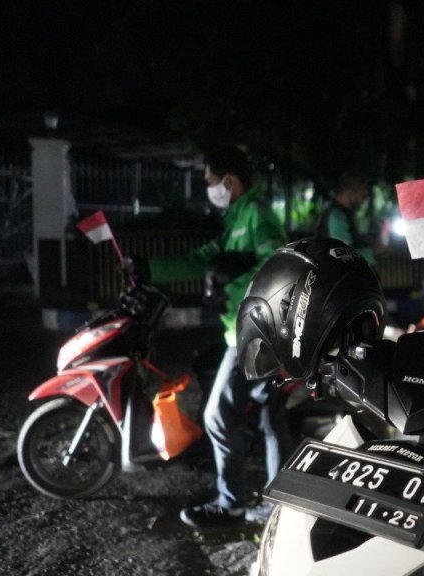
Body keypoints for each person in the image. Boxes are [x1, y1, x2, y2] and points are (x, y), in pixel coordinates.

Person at [136, 145, 290, 529]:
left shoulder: (257, 215)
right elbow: (203, 259)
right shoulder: (236, 217)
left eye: (209, 181)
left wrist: (230, 283)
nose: (208, 189)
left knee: (218, 415)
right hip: (245, 330)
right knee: (269, 417)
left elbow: (276, 265)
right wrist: (148, 269)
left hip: (257, 331)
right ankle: (281, 505)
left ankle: (232, 504)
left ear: (230, 180)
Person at [315, 170, 378, 265]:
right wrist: (374, 250)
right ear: (350, 192)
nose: (364, 199)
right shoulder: (337, 216)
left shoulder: (342, 214)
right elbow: (344, 255)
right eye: (362, 194)